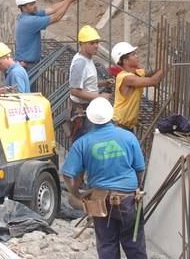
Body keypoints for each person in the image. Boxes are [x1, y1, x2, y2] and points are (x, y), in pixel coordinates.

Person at [62, 97, 147, 259]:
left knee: (107, 245)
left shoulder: (83, 143)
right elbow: (140, 169)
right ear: (111, 115)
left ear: (90, 118)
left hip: (100, 200)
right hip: (128, 199)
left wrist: (76, 194)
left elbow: (67, 174)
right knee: (134, 244)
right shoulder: (128, 137)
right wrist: (137, 186)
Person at [14, 0, 80, 70]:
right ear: (23, 7)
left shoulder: (27, 15)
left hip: (25, 63)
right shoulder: (29, 21)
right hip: (26, 66)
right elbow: (56, 17)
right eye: (31, 4)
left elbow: (52, 9)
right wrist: (69, 1)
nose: (35, 5)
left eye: (34, 2)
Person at [69, 25, 112, 142]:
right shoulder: (80, 63)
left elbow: (86, 83)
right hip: (82, 111)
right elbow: (75, 91)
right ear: (82, 44)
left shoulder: (88, 59)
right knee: (84, 144)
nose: (96, 46)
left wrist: (103, 83)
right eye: (92, 43)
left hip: (88, 108)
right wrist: (100, 97)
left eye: (97, 42)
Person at [111, 42, 164, 131]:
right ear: (125, 61)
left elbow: (151, 73)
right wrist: (168, 65)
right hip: (119, 125)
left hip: (127, 125)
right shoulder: (126, 78)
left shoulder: (136, 73)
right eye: (133, 54)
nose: (137, 56)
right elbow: (153, 81)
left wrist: (163, 65)